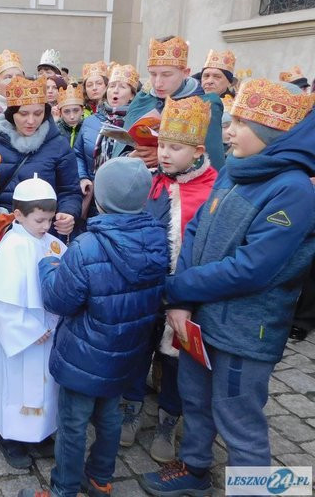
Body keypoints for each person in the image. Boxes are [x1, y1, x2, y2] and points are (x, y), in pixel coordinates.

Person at [140, 79, 315, 496]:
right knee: (196, 399)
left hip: (245, 331)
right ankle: (196, 469)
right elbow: (198, 230)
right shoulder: (237, 170)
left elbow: (252, 269)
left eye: (240, 122)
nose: (228, 131)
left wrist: (179, 287)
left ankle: (254, 490)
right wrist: (180, 300)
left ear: (272, 133)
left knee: (239, 418)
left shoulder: (292, 191)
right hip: (203, 318)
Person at [21, 158, 168, 497]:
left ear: (100, 198)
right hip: (128, 350)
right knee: (110, 415)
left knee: (72, 423)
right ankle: (100, 477)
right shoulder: (157, 238)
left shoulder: (88, 246)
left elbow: (60, 301)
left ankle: (64, 489)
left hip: (85, 356)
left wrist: (49, 265)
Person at [120, 96, 217, 464]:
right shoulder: (151, 182)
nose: (163, 153)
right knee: (137, 349)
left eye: (174, 147)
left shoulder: (212, 189)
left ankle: (167, 420)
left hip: (185, 295)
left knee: (176, 360)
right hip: (146, 289)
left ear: (197, 151)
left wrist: (186, 298)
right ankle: (130, 408)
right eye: (161, 145)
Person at [0, 175, 64, 470]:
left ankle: (40, 433)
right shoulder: (12, 247)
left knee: (45, 385)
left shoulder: (51, 243)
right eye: (39, 220)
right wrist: (27, 331)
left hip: (47, 332)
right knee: (15, 386)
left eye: (50, 219)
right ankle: (11, 436)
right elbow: (1, 303)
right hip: (21, 338)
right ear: (18, 215)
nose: (46, 226)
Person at [0, 75, 81, 238]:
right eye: (23, 114)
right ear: (11, 114)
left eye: (38, 113)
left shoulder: (59, 146)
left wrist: (68, 212)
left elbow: (69, 190)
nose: (31, 121)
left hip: (43, 232)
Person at [114, 36, 224, 170]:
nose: (158, 83)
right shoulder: (142, 100)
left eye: (166, 75)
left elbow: (211, 161)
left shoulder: (204, 105)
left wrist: (163, 155)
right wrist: (130, 157)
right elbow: (120, 151)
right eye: (153, 74)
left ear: (185, 72)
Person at [75, 64, 139, 208]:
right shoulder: (91, 121)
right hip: (91, 194)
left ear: (132, 95)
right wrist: (83, 177)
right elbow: (78, 154)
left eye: (122, 87)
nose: (115, 91)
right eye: (111, 86)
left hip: (122, 195)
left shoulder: (138, 124)